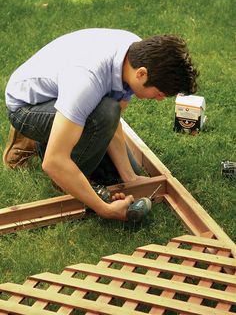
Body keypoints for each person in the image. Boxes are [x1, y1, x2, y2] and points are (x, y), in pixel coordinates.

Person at [3, 28, 199, 220]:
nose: (159, 99)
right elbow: (54, 162)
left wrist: (130, 177)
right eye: (159, 93)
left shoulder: (135, 55)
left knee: (113, 178)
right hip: (27, 107)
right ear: (141, 74)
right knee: (103, 115)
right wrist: (105, 209)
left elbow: (113, 125)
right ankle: (34, 137)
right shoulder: (86, 81)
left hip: (64, 96)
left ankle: (58, 134)